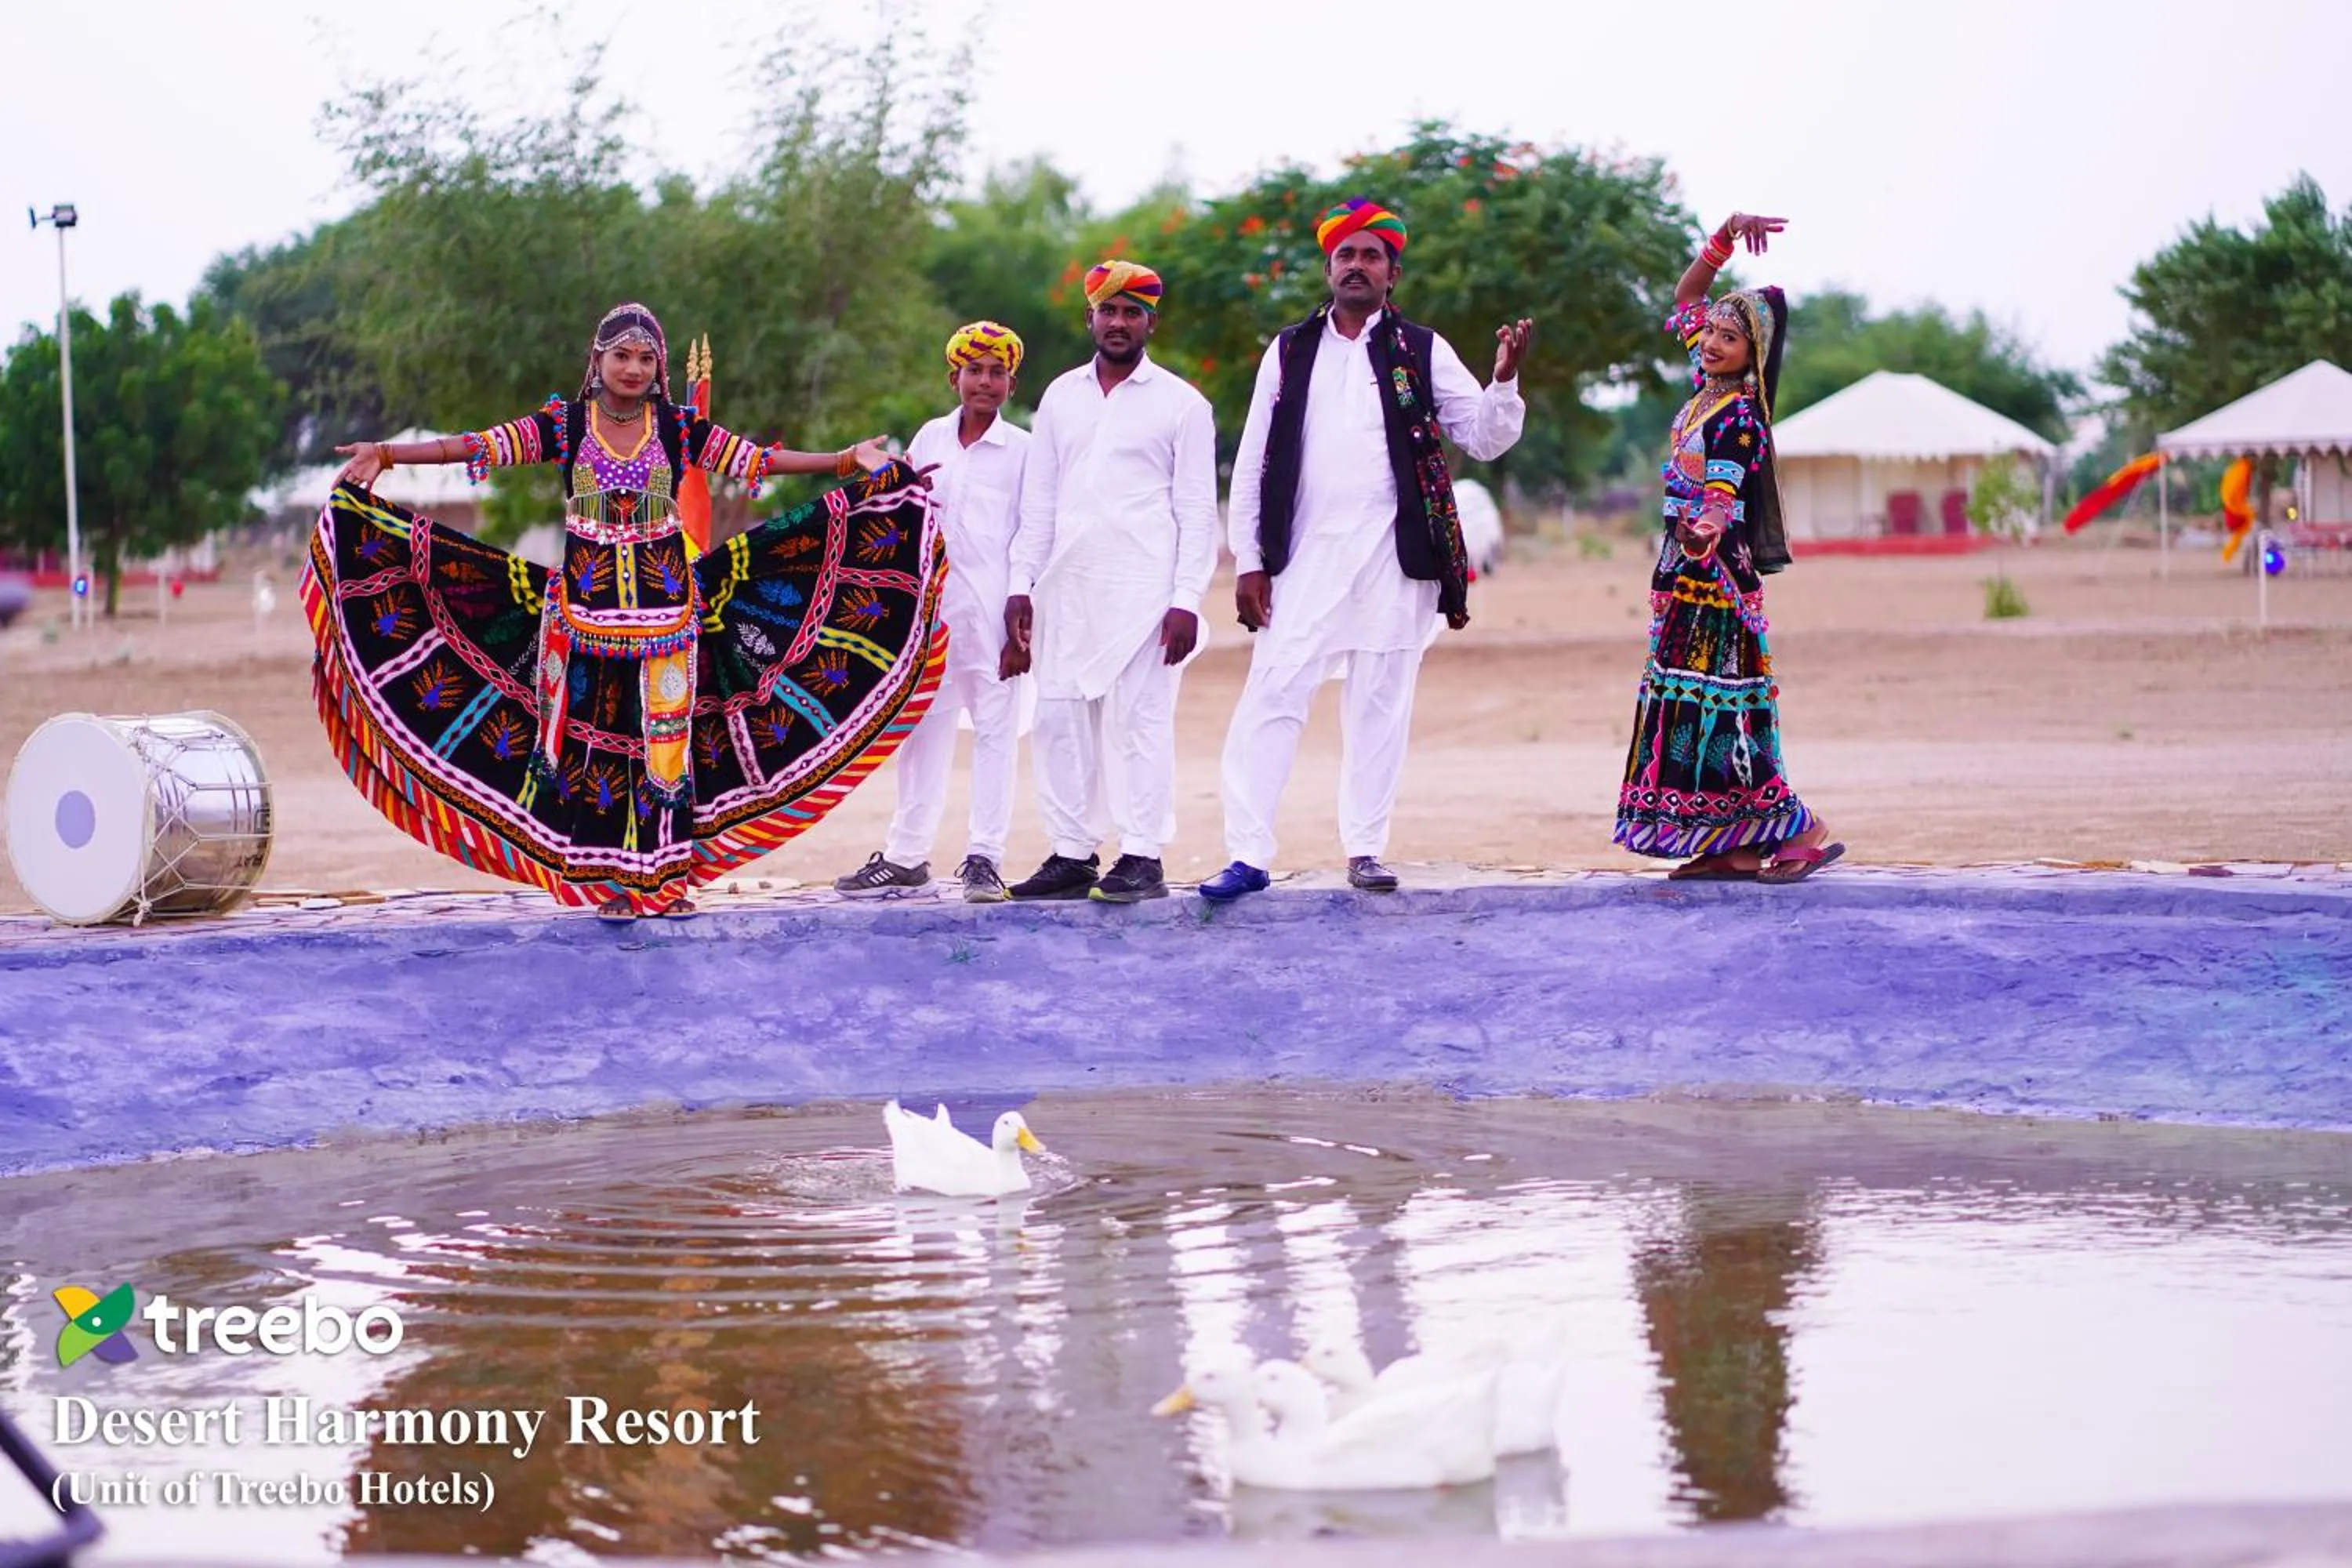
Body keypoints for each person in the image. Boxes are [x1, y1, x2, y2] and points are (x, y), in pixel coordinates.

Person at [304, 301, 946, 920]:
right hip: (583, 621)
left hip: (669, 619)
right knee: (600, 752)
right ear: (598, 358)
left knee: (666, 752)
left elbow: (757, 461)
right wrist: (388, 453)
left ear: (659, 368)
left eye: (644, 358)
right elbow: (476, 447)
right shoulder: (565, 425)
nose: (633, 369)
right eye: (621, 356)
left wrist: (844, 462)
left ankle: (663, 880)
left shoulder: (676, 427)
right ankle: (608, 881)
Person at [1201, 198, 1532, 902]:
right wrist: (1250, 560)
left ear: (1392, 272)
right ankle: (1247, 854)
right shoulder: (1289, 349)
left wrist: (1503, 380)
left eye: (1370, 256)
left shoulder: (1421, 348)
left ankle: (1366, 849)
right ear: (1329, 268)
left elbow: (1482, 435)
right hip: (1304, 557)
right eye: (1345, 255)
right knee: (1273, 693)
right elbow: (1255, 457)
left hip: (1394, 553)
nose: (1357, 266)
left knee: (1381, 701)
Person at [1613, 216, 1842, 882]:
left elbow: (1722, 493)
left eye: (1729, 336)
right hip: (1681, 574)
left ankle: (1801, 828)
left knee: (1725, 707)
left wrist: (1704, 531)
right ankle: (1734, 845)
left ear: (1754, 353)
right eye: (1711, 331)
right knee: (1692, 706)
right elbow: (1685, 298)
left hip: (1715, 580)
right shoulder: (1704, 388)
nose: (1710, 340)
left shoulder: (1740, 414)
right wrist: (1721, 240)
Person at [1002, 261, 1219, 904]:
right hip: (1066, 588)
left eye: (1132, 312)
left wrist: (1186, 600)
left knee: (1139, 723)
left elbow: (1197, 512)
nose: (1119, 322)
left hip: (1146, 594)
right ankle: (1072, 854)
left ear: (1152, 321)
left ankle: (1143, 855)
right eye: (1108, 310)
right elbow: (1038, 503)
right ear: (1089, 318)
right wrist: (1021, 583)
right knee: (1060, 718)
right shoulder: (1060, 397)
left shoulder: (1184, 405)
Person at [833, 321, 1033, 903]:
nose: (985, 382)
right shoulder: (931, 437)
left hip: (997, 616)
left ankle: (984, 858)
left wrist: (1023, 613)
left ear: (1011, 383)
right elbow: (907, 514)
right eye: (975, 370)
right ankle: (905, 856)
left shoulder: (1024, 451)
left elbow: (1033, 534)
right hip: (933, 618)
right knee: (921, 731)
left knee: (996, 736)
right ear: (955, 377)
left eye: (998, 372)